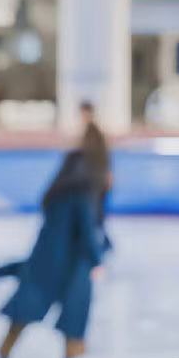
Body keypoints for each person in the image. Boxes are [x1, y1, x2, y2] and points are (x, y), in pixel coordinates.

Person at [0, 150, 104, 358]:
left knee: (24, 311)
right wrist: (96, 260)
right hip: (73, 265)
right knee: (75, 312)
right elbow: (87, 232)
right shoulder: (83, 195)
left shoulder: (55, 193)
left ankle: (4, 353)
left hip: (44, 260)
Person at [78, 100, 113, 251]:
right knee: (94, 213)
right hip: (93, 179)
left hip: (96, 180)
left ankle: (103, 243)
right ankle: (101, 242)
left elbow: (102, 157)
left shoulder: (94, 133)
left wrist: (106, 176)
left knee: (95, 212)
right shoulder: (89, 132)